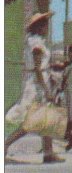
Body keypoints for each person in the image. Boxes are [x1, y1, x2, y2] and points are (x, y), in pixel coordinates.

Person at [5, 11, 65, 164]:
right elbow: (38, 68)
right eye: (45, 24)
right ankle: (5, 144)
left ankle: (48, 152)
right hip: (36, 86)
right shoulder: (36, 44)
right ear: (39, 26)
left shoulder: (37, 42)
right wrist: (46, 89)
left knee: (46, 117)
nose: (47, 27)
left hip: (39, 83)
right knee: (31, 119)